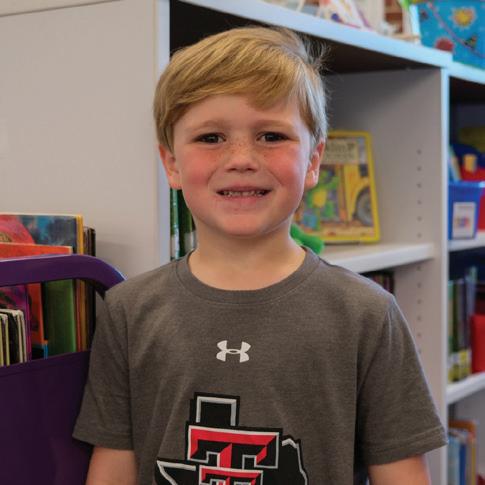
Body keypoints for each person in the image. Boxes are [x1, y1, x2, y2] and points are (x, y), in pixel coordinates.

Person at [73, 26, 447, 484]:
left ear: (313, 161)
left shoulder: (367, 313)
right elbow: (114, 467)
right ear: (171, 163)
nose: (241, 159)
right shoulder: (128, 311)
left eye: (271, 136)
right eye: (211, 138)